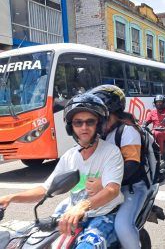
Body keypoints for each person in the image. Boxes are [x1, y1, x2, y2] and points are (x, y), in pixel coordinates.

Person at [0, 93, 124, 248]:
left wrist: (82, 206)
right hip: (72, 216)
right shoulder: (70, 156)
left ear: (98, 124)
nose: (84, 127)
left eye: (90, 122)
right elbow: (45, 189)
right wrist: (10, 198)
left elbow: (112, 189)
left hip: (103, 214)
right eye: (78, 123)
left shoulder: (111, 152)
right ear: (71, 126)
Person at [87, 84, 149, 249]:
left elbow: (132, 165)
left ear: (112, 112)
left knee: (122, 226)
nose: (98, 122)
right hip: (109, 187)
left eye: (101, 117)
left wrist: (105, 182)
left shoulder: (127, 131)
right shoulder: (103, 134)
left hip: (133, 187)